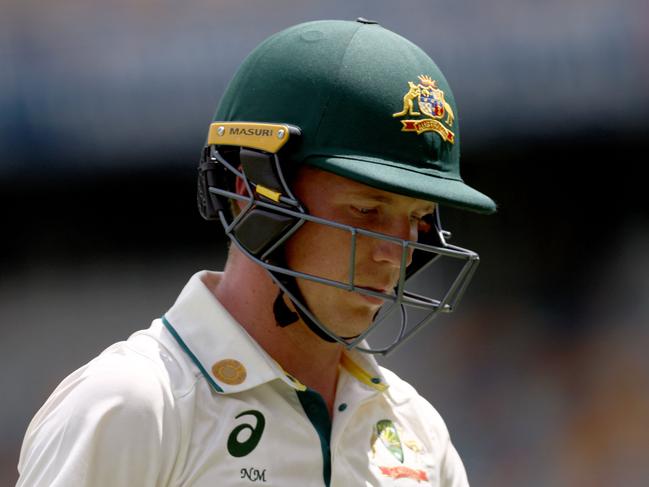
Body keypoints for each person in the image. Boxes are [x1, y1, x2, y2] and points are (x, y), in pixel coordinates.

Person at [17, 18, 496, 486]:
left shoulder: (421, 437)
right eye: (368, 210)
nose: (396, 253)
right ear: (252, 190)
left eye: (416, 219)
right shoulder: (136, 406)